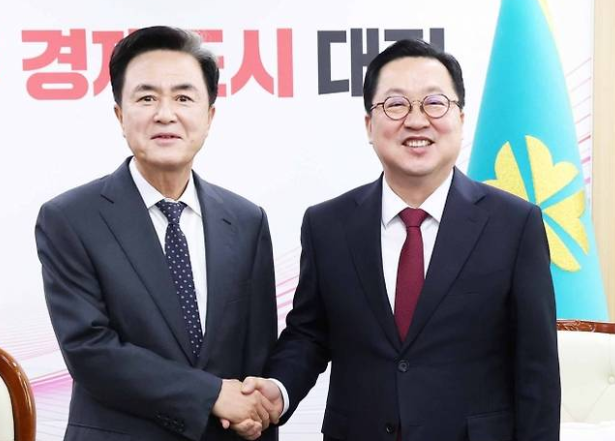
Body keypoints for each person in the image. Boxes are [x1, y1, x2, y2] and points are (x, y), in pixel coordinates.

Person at [243, 39, 561, 440]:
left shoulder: (514, 224)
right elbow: (310, 334)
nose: (416, 120)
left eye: (434, 103)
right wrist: (278, 389)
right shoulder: (327, 225)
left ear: (461, 118)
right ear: (369, 125)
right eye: (395, 104)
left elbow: (537, 370)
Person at [35, 26, 279, 441]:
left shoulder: (245, 220)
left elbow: (256, 360)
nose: (165, 114)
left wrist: (255, 417)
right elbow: (89, 350)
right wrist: (209, 394)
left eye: (183, 98)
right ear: (120, 115)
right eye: (147, 98)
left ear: (209, 116)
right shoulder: (70, 218)